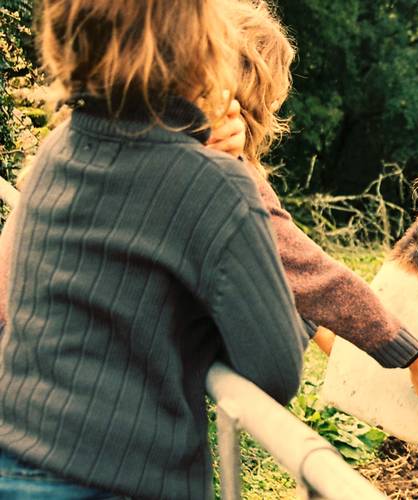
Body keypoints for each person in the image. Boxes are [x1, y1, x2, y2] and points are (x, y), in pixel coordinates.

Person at [0, 1, 308, 498]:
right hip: (123, 479)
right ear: (200, 42)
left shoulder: (56, 153)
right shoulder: (217, 185)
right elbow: (275, 370)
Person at [220, 0, 418, 404]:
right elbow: (306, 270)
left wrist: (320, 327)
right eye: (275, 94)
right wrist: (415, 355)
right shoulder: (224, 175)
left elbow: (272, 262)